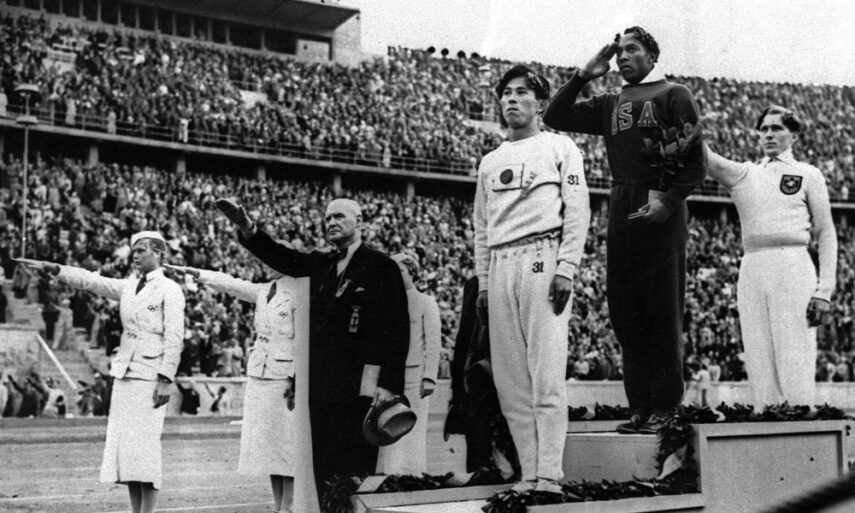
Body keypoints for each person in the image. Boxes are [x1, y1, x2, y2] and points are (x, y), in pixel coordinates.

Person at [543, 27, 706, 434]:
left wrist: (668, 201)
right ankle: (640, 406)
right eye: (619, 53)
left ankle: (666, 405)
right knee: (625, 310)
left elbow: (696, 162)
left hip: (660, 202)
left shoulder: (674, 94)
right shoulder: (610, 102)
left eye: (632, 50)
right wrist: (584, 75)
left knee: (662, 308)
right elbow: (554, 116)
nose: (623, 58)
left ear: (653, 55)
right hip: (621, 201)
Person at [217, 197, 409, 494]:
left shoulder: (381, 265)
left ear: (359, 221)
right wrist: (247, 227)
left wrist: (389, 384)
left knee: (357, 465)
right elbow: (280, 257)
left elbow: (397, 328)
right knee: (322, 469)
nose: (331, 222)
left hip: (363, 382)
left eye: (339, 216)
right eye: (327, 218)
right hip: (322, 386)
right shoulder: (321, 263)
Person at [474, 65, 590, 493]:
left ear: (540, 103)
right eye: (506, 92)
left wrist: (566, 268)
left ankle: (550, 474)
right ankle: (529, 473)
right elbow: (481, 227)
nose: (512, 99)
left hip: (543, 257)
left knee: (546, 372)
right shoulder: (490, 161)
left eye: (522, 92)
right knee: (510, 381)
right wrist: (483, 282)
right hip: (501, 263)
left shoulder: (560, 146)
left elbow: (578, 210)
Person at [17, 230, 185, 513]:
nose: (135, 256)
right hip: (125, 373)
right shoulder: (129, 286)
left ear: (158, 253)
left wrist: (166, 378)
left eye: (141, 250)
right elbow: (92, 281)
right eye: (133, 251)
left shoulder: (170, 290)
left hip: (150, 375)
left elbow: (174, 337)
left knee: (145, 448)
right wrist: (56, 269)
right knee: (127, 451)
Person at [705, 105, 837, 406]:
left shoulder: (807, 174)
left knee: (794, 349)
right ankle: (765, 414)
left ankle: (801, 413)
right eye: (763, 129)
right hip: (752, 263)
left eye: (776, 128)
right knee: (757, 352)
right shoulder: (746, 173)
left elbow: (826, 233)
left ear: (794, 135)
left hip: (793, 261)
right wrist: (684, 121)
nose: (768, 134)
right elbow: (709, 161)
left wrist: (824, 290)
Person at [166, 263, 300, 513]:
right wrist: (197, 273)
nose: (267, 265)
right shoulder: (263, 290)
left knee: (286, 442)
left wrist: (296, 380)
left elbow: (302, 341)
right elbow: (231, 284)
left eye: (273, 260)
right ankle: (279, 505)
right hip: (260, 370)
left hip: (284, 374)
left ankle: (289, 505)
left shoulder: (299, 291)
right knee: (269, 444)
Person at [376, 253, 441, 476]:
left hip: (415, 374)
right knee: (387, 423)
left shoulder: (425, 302)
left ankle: (413, 473)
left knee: (413, 424)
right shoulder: (385, 303)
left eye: (401, 271)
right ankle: (390, 473)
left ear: (412, 273)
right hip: (389, 376)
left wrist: (429, 377)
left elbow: (433, 343)